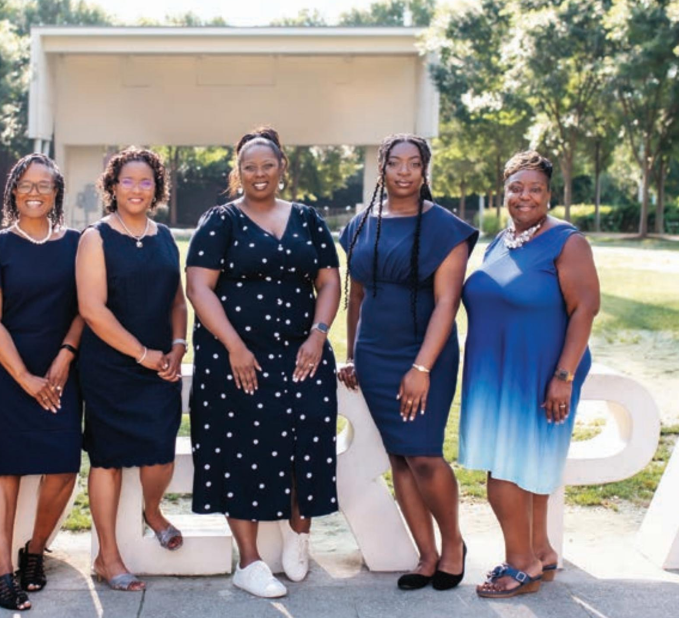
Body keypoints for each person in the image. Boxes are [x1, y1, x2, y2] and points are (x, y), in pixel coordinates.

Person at [186, 127, 342, 598]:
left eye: (267, 165)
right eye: (249, 166)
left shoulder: (308, 219)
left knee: (310, 436)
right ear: (238, 171)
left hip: (302, 351)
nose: (259, 174)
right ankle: (249, 561)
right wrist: (234, 346)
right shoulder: (221, 221)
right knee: (240, 447)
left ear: (281, 168)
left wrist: (318, 335)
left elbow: (329, 282)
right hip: (237, 355)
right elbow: (198, 288)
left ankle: (299, 534)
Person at [338, 134, 477, 592]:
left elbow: (447, 304)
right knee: (399, 456)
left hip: (424, 354)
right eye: (395, 163)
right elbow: (357, 296)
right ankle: (426, 555)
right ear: (381, 168)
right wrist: (352, 354)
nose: (403, 171)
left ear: (424, 169)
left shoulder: (445, 229)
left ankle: (453, 545)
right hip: (374, 354)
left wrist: (421, 369)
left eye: (413, 163)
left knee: (424, 454)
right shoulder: (361, 224)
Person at [458, 151, 600, 598]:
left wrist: (563, 376)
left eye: (535, 189)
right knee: (526, 465)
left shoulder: (567, 242)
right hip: (496, 369)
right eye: (516, 188)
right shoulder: (501, 240)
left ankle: (521, 566)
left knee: (505, 470)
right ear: (504, 192)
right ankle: (541, 551)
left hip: (541, 370)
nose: (525, 196)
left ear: (549, 194)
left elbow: (585, 308)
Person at [0, 154, 83, 610]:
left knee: (63, 467)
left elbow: (88, 306)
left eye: (44, 185)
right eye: (26, 184)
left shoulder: (77, 244)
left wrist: (66, 354)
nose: (34, 193)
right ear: (13, 191)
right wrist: (23, 377)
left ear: (57, 193)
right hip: (6, 373)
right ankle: (1, 572)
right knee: (3, 468)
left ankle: (34, 551)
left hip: (61, 372)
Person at [75, 147, 186, 592]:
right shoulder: (96, 238)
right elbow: (92, 310)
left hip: (161, 366)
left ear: (156, 188)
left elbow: (178, 301)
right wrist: (142, 354)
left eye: (145, 181)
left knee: (160, 455)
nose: (136, 189)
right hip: (110, 367)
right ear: (113, 186)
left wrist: (177, 346)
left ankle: (152, 511)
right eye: (127, 181)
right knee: (108, 461)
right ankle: (108, 556)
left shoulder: (165, 237)